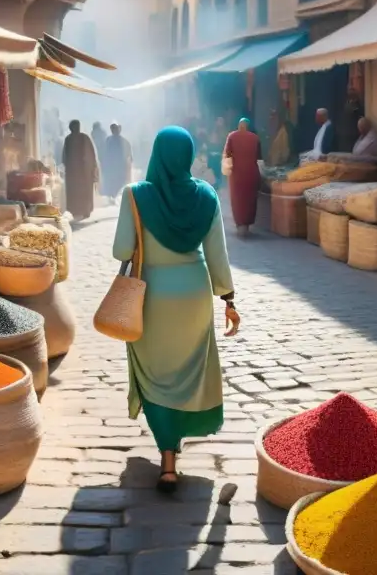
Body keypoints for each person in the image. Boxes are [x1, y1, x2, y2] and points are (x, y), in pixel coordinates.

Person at [113, 126, 240, 493]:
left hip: (151, 296)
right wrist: (228, 300)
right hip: (194, 295)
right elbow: (217, 255)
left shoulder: (136, 195)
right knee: (188, 371)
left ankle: (166, 456)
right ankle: (175, 451)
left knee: (155, 373)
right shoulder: (206, 195)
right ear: (188, 155)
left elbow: (121, 250)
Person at [223, 118, 262, 236]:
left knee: (238, 199)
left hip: (236, 174)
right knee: (249, 199)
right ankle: (247, 224)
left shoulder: (232, 136)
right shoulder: (255, 138)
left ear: (239, 125)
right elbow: (259, 157)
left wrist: (226, 171)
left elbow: (227, 155)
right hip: (251, 173)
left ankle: (240, 224)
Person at [61, 120, 99, 220]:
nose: (76, 128)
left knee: (83, 190)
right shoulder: (69, 139)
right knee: (77, 191)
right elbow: (65, 156)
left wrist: (91, 167)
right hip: (75, 172)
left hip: (82, 171)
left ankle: (85, 210)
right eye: (74, 126)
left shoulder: (83, 138)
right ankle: (76, 210)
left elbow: (90, 155)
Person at [102, 123, 133, 198]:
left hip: (119, 166)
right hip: (113, 166)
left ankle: (118, 196)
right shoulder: (109, 140)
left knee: (119, 182)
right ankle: (114, 196)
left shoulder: (122, 141)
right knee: (114, 182)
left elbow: (129, 155)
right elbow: (104, 153)